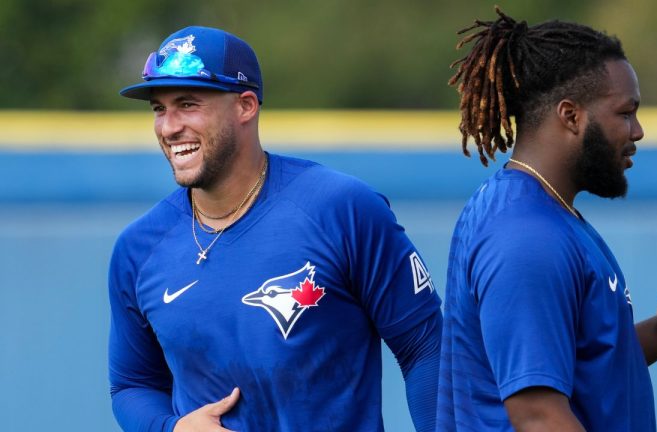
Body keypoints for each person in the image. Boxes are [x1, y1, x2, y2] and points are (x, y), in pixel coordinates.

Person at [109, 26, 442, 432]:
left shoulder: (341, 209)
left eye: (188, 104)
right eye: (159, 109)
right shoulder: (138, 249)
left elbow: (425, 347)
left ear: (246, 106)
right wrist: (172, 428)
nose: (168, 127)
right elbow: (132, 384)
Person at [436, 8, 657, 431]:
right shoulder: (524, 236)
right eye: (625, 112)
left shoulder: (544, 214)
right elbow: (538, 417)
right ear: (571, 115)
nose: (637, 131)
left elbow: (574, 367)